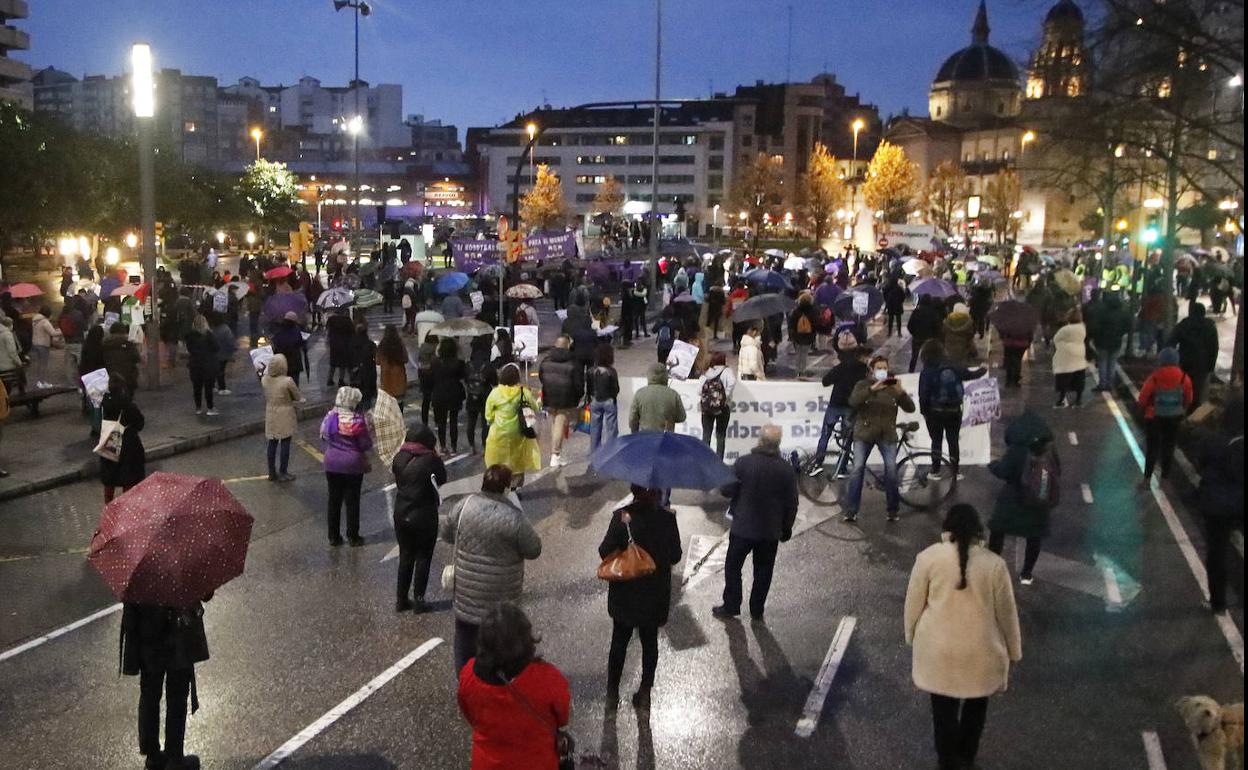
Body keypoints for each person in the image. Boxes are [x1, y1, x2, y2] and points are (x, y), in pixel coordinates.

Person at [904, 504, 1021, 770]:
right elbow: (1007, 614)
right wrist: (1014, 650)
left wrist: (911, 634)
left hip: (939, 652)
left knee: (943, 711)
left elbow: (913, 604)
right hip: (981, 652)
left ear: (948, 529)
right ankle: (966, 756)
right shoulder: (995, 565)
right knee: (976, 708)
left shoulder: (928, 558)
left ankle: (946, 759)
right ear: (978, 530)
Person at [442, 465, 543, 674]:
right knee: (500, 642)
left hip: (467, 594)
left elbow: (447, 534)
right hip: (500, 597)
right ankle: (494, 682)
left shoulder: (464, 505)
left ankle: (466, 681)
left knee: (464, 639)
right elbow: (534, 549)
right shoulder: (514, 518)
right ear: (506, 488)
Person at [456, 603, 570, 770]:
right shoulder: (546, 677)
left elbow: (469, 712)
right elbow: (563, 716)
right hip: (537, 762)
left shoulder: (468, 676)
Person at [599, 485, 683, 711]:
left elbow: (603, 550)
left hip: (625, 592)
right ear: (657, 492)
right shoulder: (667, 519)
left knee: (619, 642)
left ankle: (612, 693)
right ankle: (645, 691)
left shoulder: (622, 517)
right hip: (655, 593)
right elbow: (675, 555)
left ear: (633, 490)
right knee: (649, 642)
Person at [712, 425, 798, 621]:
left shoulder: (743, 463)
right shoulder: (786, 470)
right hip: (770, 531)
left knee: (733, 566)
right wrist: (786, 528)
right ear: (778, 444)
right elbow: (792, 503)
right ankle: (757, 609)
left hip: (743, 528)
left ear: (759, 441)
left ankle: (732, 604)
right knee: (764, 570)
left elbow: (727, 490)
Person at [120, 598, 210, 770]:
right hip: (177, 630)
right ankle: (174, 757)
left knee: (150, 692)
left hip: (146, 629)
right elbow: (206, 594)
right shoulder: (182, 570)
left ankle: (152, 755)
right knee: (177, 693)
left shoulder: (139, 571)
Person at [986, 410, 1059, 584]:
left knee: (998, 530)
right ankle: (1026, 573)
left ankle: (992, 567)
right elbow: (1057, 471)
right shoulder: (1049, 449)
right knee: (1034, 536)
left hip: (1014, 499)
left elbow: (1004, 471)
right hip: (1039, 501)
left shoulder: (1017, 450)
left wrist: (992, 464)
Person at [844, 355, 916, 523]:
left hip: (887, 434)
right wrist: (872, 389)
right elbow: (853, 402)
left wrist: (902, 393)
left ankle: (892, 510)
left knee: (891, 470)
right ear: (871, 370)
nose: (883, 371)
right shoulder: (863, 385)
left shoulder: (893, 388)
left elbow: (910, 408)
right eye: (879, 368)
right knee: (857, 469)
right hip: (864, 433)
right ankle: (851, 510)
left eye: (885, 368)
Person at [391, 423, 447, 613]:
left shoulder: (399, 457)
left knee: (405, 555)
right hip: (423, 514)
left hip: (401, 512)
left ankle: (401, 600)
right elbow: (442, 478)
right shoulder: (431, 459)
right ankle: (419, 600)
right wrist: (437, 457)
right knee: (423, 556)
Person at [1195, 398, 1243, 614]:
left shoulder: (1213, 440)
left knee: (1217, 553)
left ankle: (1218, 603)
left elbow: (1201, 466)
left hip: (1218, 505)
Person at [917, 339, 986, 480]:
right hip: (954, 410)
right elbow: (970, 375)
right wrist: (983, 369)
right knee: (953, 440)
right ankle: (955, 471)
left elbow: (923, 394)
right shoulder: (954, 365)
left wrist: (925, 412)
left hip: (935, 411)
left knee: (936, 441)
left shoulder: (927, 371)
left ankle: (935, 471)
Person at [320, 386, 372, 547]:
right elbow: (365, 444)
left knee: (333, 501)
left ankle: (333, 536)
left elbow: (323, 436)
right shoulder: (356, 421)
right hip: (352, 466)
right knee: (352, 500)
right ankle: (353, 536)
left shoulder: (330, 417)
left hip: (331, 463)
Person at [1136, 347, 1193, 482]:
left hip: (1154, 416)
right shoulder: (1184, 377)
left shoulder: (1155, 377)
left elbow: (1143, 397)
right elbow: (1189, 398)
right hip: (1174, 417)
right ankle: (1165, 477)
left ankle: (1147, 479)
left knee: (1152, 448)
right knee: (1169, 446)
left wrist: (1144, 409)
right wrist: (1182, 408)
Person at [812, 346, 870, 474]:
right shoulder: (864, 370)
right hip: (851, 407)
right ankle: (841, 468)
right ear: (862, 357)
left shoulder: (842, 366)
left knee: (825, 435)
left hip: (835, 404)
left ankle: (817, 463)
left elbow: (825, 381)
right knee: (847, 438)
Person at [484, 364, 542, 492]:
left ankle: (498, 487)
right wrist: (539, 398)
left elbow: (488, 415)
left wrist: (493, 419)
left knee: (498, 461)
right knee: (516, 463)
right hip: (518, 434)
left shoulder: (495, 393)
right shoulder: (523, 392)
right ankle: (514, 490)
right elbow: (536, 408)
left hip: (497, 434)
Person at [537, 335, 584, 468]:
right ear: (567, 346)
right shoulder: (573, 363)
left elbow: (542, 377)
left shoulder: (546, 361)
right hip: (566, 398)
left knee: (554, 423)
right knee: (559, 424)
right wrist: (578, 397)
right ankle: (555, 455)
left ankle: (556, 452)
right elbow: (578, 384)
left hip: (549, 396)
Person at [99, 374, 146, 503]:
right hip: (128, 445)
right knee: (128, 478)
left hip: (110, 440)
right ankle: (127, 507)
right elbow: (140, 423)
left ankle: (108, 506)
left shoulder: (104, 404)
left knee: (110, 477)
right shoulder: (127, 405)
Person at [1169, 301, 1220, 409]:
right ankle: (1192, 412)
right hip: (1202, 364)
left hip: (1184, 361)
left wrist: (1171, 361)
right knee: (1197, 391)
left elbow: (1171, 342)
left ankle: (1179, 409)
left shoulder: (1184, 324)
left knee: (1182, 387)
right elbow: (1214, 348)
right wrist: (1211, 366)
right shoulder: (1210, 327)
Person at [262, 353, 302, 482]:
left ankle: (271, 472)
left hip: (270, 413)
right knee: (285, 442)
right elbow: (298, 396)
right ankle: (283, 471)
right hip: (285, 413)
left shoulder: (265, 380)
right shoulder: (287, 381)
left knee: (272, 443)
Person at [430, 337, 467, 454]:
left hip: (439, 393)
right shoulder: (459, 363)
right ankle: (454, 447)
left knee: (441, 422)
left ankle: (442, 445)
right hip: (454, 393)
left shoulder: (435, 362)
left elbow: (431, 377)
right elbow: (463, 377)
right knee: (453, 421)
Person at [1088, 291, 1131, 392]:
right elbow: (1127, 326)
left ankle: (1102, 384)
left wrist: (1094, 337)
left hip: (1102, 342)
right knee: (1112, 363)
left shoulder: (1102, 312)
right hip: (1116, 341)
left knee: (1103, 362)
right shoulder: (1122, 312)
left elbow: (1096, 327)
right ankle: (1110, 384)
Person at [629, 363, 687, 434]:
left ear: (649, 375)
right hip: (666, 437)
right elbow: (682, 417)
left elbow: (632, 419)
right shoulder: (673, 394)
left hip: (645, 437)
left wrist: (634, 434)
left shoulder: (639, 393)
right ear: (665, 376)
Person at [698, 352, 736, 460]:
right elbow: (732, 382)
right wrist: (725, 395)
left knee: (706, 434)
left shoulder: (707, 372)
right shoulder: (727, 371)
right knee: (720, 435)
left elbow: (698, 391)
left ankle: (704, 460)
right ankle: (719, 461)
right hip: (722, 407)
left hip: (707, 409)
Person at [463, 336, 497, 454]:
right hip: (485, 396)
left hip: (472, 396)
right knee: (485, 423)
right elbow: (495, 382)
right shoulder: (488, 366)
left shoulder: (468, 365)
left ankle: (471, 446)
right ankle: (484, 446)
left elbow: (466, 379)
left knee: (471, 422)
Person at [587, 343, 620, 454]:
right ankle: (611, 451)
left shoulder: (591, 371)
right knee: (611, 428)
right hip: (609, 400)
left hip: (595, 400)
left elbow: (589, 387)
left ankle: (594, 451)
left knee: (595, 428)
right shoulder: (611, 371)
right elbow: (616, 389)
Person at [1052, 308, 1087, 408]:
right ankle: (1078, 399)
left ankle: (1061, 399)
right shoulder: (1082, 328)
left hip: (1066, 354)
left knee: (1064, 376)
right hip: (1079, 352)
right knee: (1079, 376)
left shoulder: (1065, 329)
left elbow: (1056, 339)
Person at [185, 315, 219, 416]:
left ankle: (198, 408)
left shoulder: (190, 335)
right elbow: (216, 347)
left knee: (197, 387)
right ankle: (210, 407)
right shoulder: (209, 335)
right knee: (208, 387)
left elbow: (189, 348)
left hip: (195, 364)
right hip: (208, 364)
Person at [907, 295, 944, 373]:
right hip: (929, 338)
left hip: (917, 337)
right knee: (928, 356)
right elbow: (937, 326)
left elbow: (910, 325)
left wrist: (914, 333)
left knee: (914, 356)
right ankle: (927, 371)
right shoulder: (933, 313)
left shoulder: (916, 312)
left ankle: (911, 371)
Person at [102, 321, 141, 394]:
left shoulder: (105, 344)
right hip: (127, 377)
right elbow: (137, 358)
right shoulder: (128, 344)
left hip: (109, 376)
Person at [270, 311, 306, 386]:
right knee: (294, 384)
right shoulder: (296, 331)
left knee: (283, 384)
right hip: (294, 362)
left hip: (282, 363)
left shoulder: (279, 331)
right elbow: (300, 343)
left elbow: (275, 344)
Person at [377, 324, 409, 407]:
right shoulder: (400, 344)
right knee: (399, 406)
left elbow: (377, 361)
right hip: (399, 379)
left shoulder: (382, 345)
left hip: (386, 380)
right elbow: (406, 359)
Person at [28, 306, 60, 388]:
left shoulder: (35, 320)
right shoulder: (45, 321)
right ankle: (41, 381)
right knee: (43, 364)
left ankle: (40, 381)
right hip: (43, 344)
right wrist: (60, 331)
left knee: (39, 363)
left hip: (35, 343)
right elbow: (53, 333)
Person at [349, 322, 378, 411]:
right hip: (369, 374)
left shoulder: (352, 344)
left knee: (357, 400)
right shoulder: (370, 344)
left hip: (355, 374)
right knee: (367, 400)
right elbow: (376, 358)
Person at [940, 302, 978, 368]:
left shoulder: (947, 321)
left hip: (948, 351)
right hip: (963, 352)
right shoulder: (969, 322)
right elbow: (970, 337)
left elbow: (943, 334)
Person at [325, 309, 354, 387]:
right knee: (343, 363)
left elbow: (327, 329)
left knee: (333, 363)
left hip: (334, 343)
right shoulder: (347, 320)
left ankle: (330, 379)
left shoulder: (331, 319)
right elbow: (352, 331)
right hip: (344, 344)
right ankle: (341, 380)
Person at [210, 314, 236, 396]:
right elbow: (230, 340)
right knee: (221, 370)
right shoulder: (225, 329)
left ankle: (212, 386)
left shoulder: (211, 329)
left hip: (213, 353)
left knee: (213, 369)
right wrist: (232, 350)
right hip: (223, 353)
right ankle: (222, 388)